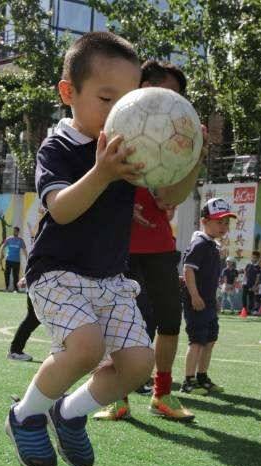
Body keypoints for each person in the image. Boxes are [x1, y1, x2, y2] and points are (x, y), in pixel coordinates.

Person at [6, 32, 176, 466]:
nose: (120, 111)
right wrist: (101, 174)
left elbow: (170, 192)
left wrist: (189, 155)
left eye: (129, 99)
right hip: (58, 270)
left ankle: (70, 413)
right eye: (106, 98)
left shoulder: (127, 150)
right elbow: (60, 210)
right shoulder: (58, 147)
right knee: (85, 347)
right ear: (69, 93)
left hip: (110, 276)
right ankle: (25, 415)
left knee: (139, 363)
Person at [94, 59, 207, 421]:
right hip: (117, 244)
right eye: (165, 91)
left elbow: (171, 197)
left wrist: (196, 157)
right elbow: (92, 185)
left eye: (177, 95)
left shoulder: (176, 135)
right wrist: (123, 208)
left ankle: (162, 394)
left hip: (158, 243)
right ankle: (117, 395)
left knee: (170, 320)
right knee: (119, 322)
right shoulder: (111, 128)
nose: (171, 100)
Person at [181, 199, 236, 396]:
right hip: (197, 301)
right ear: (205, 221)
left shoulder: (211, 245)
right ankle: (188, 381)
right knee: (196, 341)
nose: (224, 227)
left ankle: (202, 377)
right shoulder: (200, 243)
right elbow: (188, 269)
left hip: (209, 302)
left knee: (209, 340)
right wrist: (194, 296)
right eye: (219, 222)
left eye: (226, 223)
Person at [8, 295, 40, 361]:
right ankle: (15, 351)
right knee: (33, 318)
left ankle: (15, 350)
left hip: (41, 288)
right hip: (43, 289)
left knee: (33, 318)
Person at [0, 226, 27, 292]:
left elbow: (24, 250)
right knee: (7, 274)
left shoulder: (21, 240)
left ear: (18, 232)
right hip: (8, 259)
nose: (14, 232)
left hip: (16, 261)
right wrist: (1, 254)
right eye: (14, 231)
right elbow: (3, 246)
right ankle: (6, 288)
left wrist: (27, 258)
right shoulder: (9, 239)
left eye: (16, 231)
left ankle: (16, 289)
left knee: (16, 276)